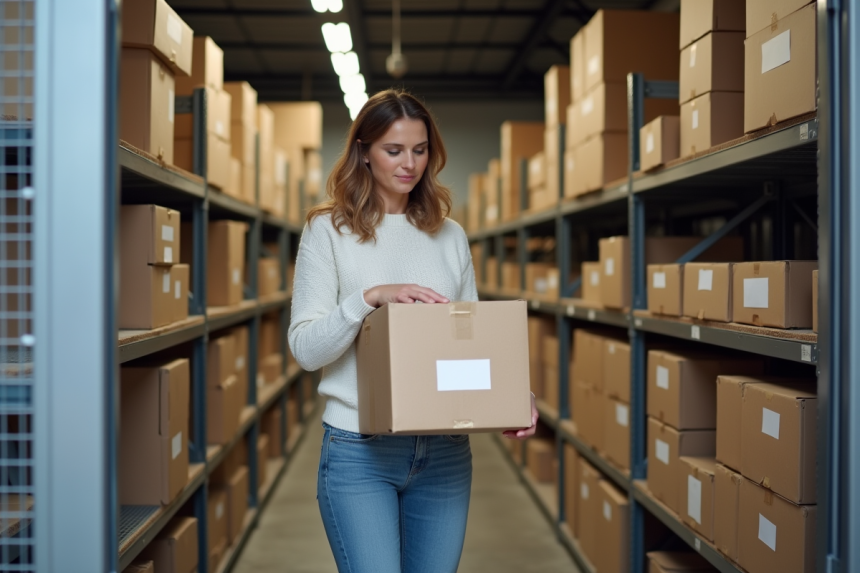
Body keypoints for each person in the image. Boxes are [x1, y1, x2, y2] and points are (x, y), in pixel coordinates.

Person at [288, 89, 538, 573]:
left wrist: (512, 395)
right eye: (394, 150)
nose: (410, 164)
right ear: (364, 150)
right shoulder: (328, 231)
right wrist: (369, 298)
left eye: (420, 150)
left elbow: (472, 340)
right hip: (360, 451)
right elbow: (305, 349)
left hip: (445, 452)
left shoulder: (450, 235)